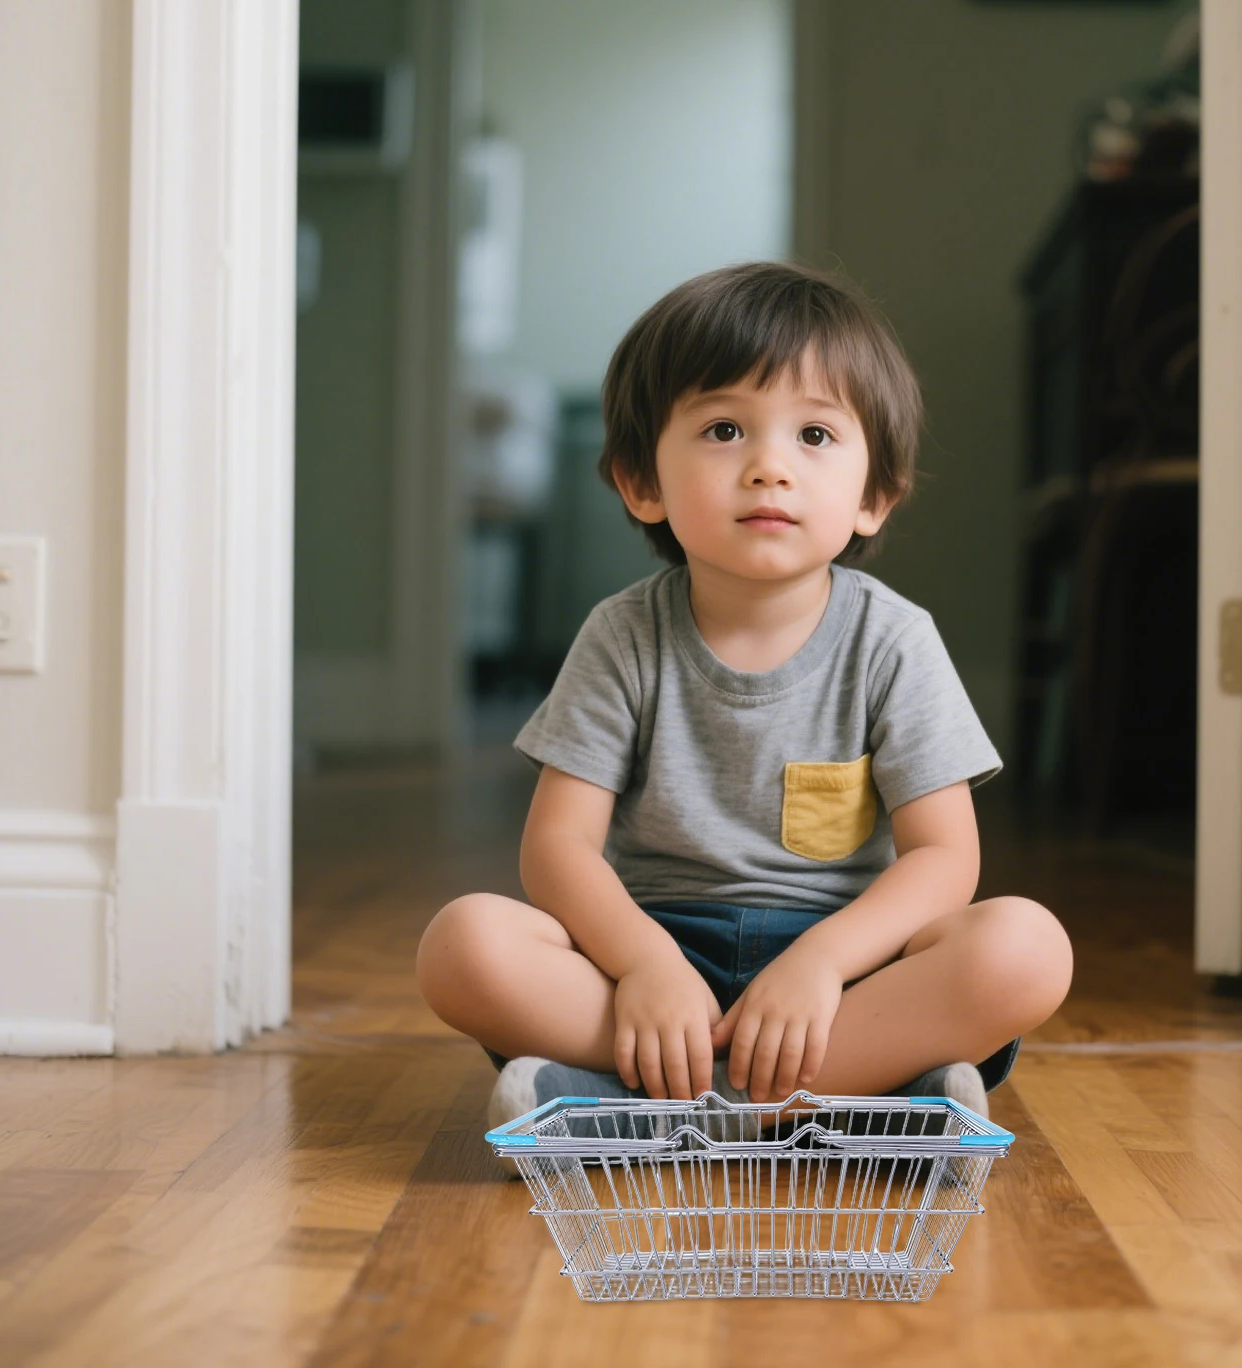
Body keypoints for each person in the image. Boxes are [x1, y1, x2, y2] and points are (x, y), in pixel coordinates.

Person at [417, 262, 1073, 1148]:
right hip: (652, 960)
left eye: (815, 434)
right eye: (724, 430)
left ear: (874, 497)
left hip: (844, 974)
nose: (770, 467)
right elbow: (558, 846)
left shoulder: (894, 641)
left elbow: (944, 857)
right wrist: (645, 965)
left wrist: (820, 964)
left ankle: (640, 1106)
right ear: (641, 483)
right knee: (464, 945)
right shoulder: (622, 636)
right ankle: (855, 1102)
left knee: (1026, 947)